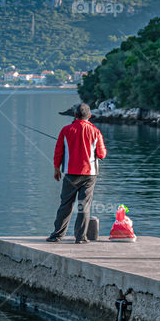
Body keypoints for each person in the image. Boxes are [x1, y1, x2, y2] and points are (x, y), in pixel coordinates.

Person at [47, 103, 106, 244]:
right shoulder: (96, 131)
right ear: (89, 116)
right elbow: (102, 154)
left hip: (70, 173)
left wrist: (56, 168)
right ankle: (81, 238)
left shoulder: (66, 130)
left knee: (65, 204)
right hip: (90, 174)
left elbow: (58, 151)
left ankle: (57, 236)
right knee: (84, 206)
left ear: (75, 115)